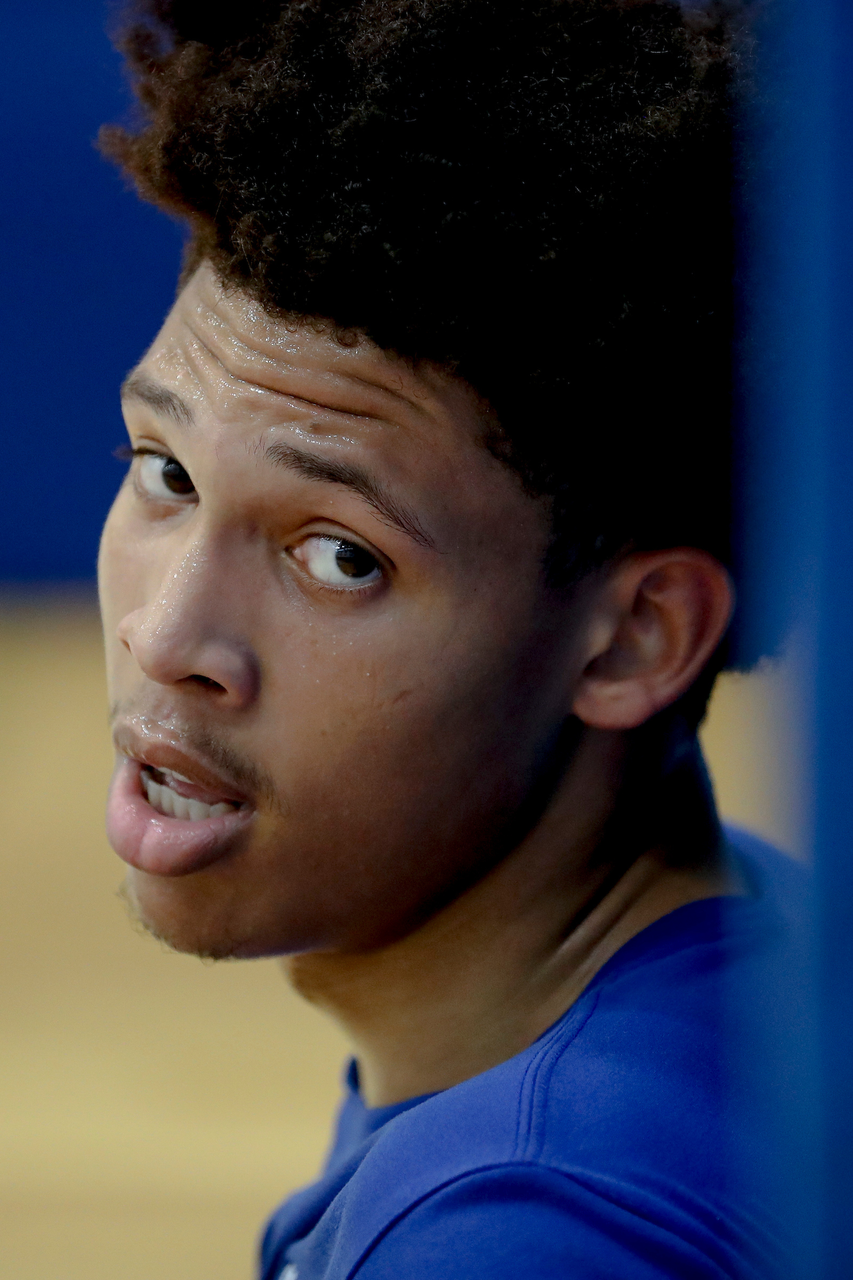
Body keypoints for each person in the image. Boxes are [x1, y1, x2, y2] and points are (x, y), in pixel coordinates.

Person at [97, 1, 812, 1277]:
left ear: (634, 640)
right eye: (166, 472)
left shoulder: (527, 1228)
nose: (167, 636)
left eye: (340, 556)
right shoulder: (764, 944)